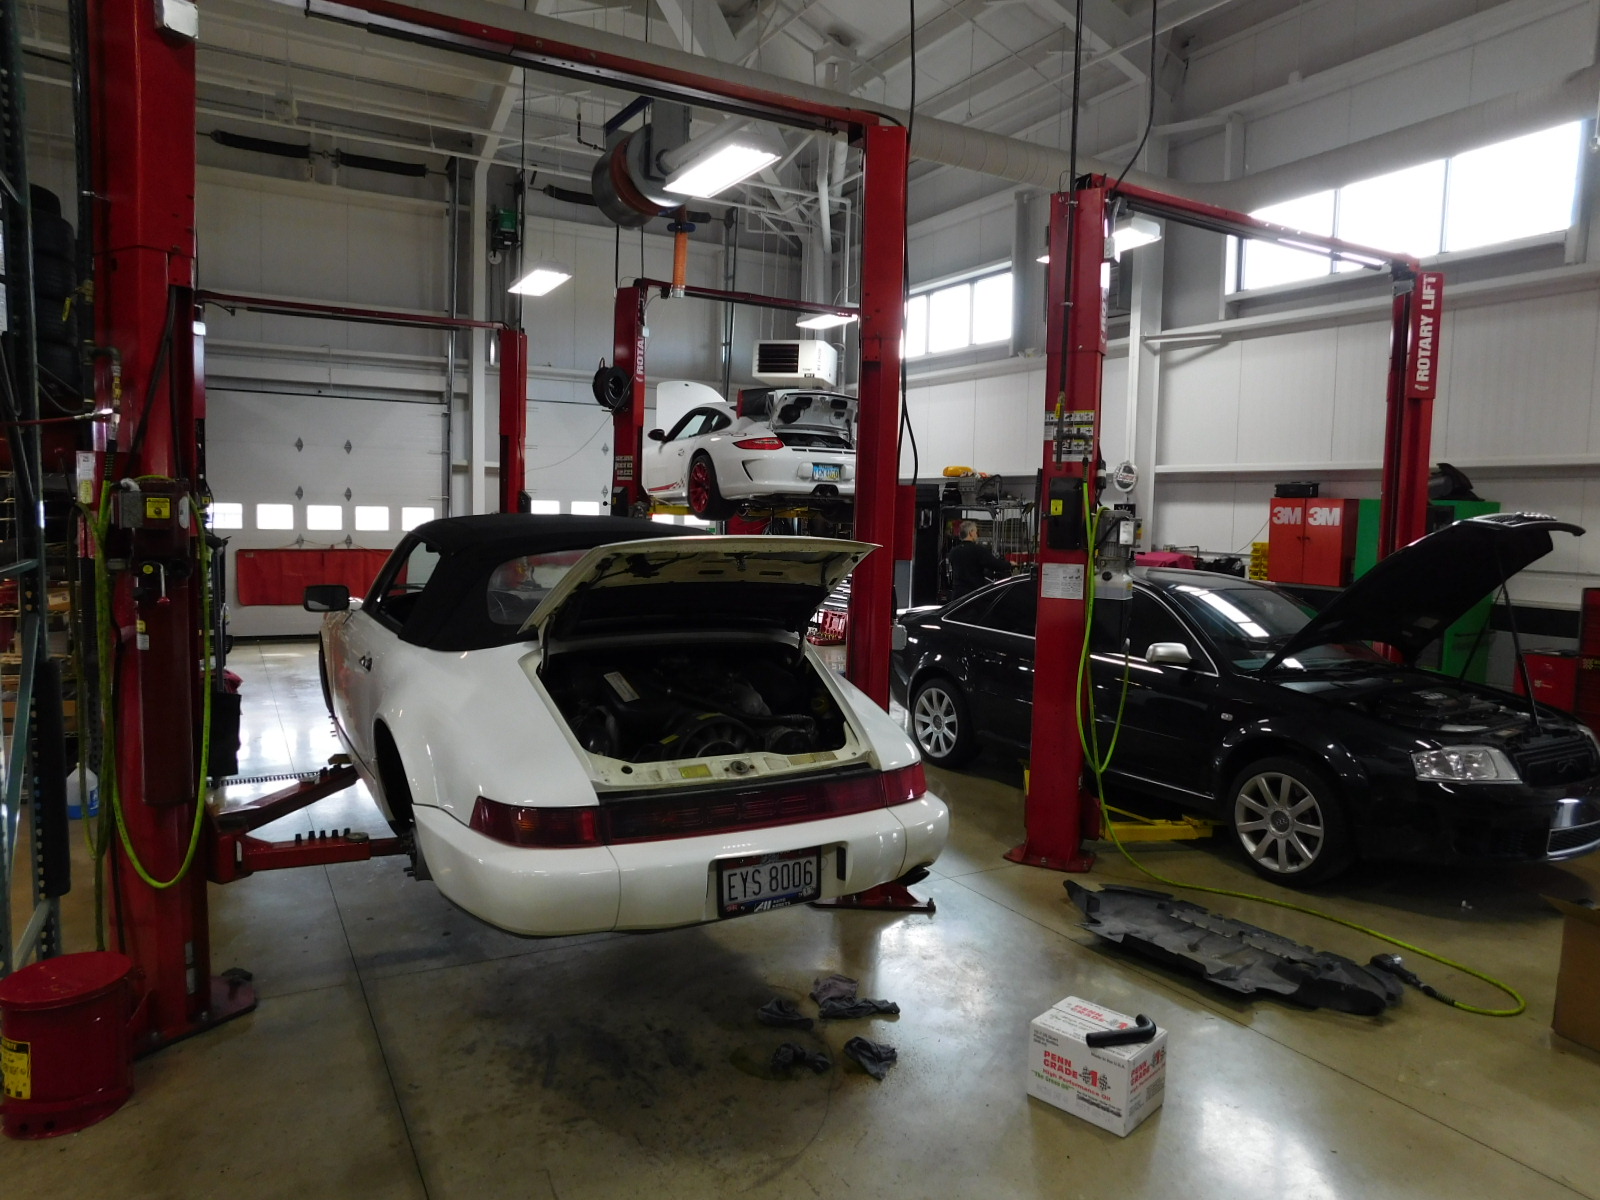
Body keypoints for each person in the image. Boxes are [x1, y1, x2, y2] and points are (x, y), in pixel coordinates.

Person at [944, 520, 1011, 599]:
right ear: (971, 533)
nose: (977, 535)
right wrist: (1009, 564)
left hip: (958, 597)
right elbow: (995, 564)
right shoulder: (978, 550)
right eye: (976, 532)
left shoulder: (953, 551)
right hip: (973, 596)